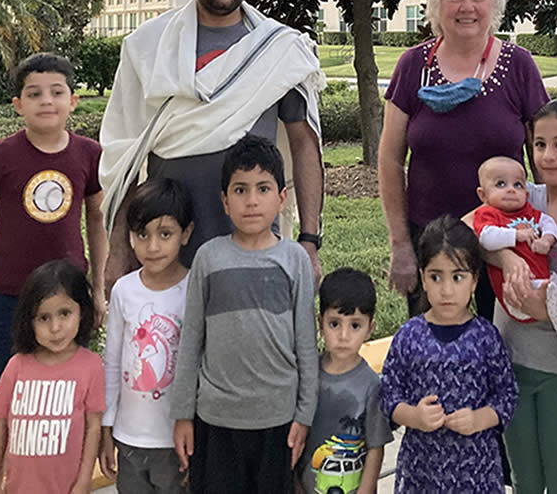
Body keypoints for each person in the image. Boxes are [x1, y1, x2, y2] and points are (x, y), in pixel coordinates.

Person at [99, 0, 325, 286]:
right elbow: (126, 155)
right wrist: (120, 248)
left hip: (255, 242)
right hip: (166, 246)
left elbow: (304, 144)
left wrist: (310, 240)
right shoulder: (147, 47)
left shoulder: (278, 50)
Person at [0, 52, 106, 482]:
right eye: (34, 93)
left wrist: (97, 289)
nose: (47, 101)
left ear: (73, 100)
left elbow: (96, 221)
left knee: (66, 401)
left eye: (57, 92)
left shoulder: (88, 154)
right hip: (7, 299)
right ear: (17, 104)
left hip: (69, 300)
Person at [379, 0, 548, 319]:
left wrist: (552, 231)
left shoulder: (519, 65)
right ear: (437, 4)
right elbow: (390, 160)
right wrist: (401, 246)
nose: (466, 7)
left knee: (501, 348)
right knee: (432, 349)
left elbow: (544, 158)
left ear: (494, 2)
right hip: (431, 239)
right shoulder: (412, 66)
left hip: (506, 241)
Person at [170, 134, 318, 493]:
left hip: (278, 421)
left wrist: (304, 415)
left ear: (282, 198)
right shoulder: (209, 258)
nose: (252, 201)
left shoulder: (294, 259)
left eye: (263, 188)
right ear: (224, 201)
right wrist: (182, 415)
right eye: (240, 190)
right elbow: (190, 342)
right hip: (216, 420)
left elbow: (306, 344)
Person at [472, 100, 557, 494]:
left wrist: (542, 306)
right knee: (524, 478)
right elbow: (467, 231)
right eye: (540, 144)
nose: (547, 155)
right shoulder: (520, 194)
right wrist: (509, 258)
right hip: (511, 364)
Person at [379, 216, 517, 493]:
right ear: (423, 279)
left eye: (457, 277)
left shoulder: (485, 337)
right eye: (435, 276)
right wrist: (413, 416)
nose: (446, 290)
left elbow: (507, 396)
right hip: (422, 472)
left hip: (476, 472)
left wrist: (479, 419)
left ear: (474, 281)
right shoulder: (409, 336)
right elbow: (388, 395)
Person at [99, 177, 193, 492]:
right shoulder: (125, 290)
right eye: (143, 235)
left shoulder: (193, 289)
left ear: (186, 233)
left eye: (165, 234)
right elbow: (112, 360)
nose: (152, 247)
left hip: (175, 440)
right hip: (128, 438)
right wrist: (106, 425)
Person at [0, 259, 105, 494]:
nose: (55, 327)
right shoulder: (16, 366)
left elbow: (93, 428)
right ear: (29, 322)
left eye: (64, 313)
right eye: (43, 318)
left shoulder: (91, 366)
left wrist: (83, 482)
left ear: (82, 312)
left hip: (67, 488)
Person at [472, 155, 557, 355]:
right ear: (483, 194)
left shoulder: (527, 211)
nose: (511, 189)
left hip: (544, 279)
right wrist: (516, 237)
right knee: (555, 295)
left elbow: (547, 222)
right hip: (517, 288)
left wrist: (547, 240)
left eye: (518, 184)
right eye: (500, 184)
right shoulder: (489, 214)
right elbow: (486, 238)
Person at [297, 267, 393, 494]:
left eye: (355, 325)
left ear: (370, 329)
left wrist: (367, 489)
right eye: (334, 324)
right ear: (320, 323)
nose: (343, 336)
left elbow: (375, 446)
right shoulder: (307, 375)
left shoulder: (371, 385)